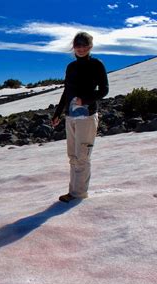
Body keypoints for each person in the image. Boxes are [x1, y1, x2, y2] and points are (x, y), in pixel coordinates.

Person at [51, 32, 109, 203]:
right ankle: (74, 192)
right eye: (78, 45)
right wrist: (58, 113)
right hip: (70, 116)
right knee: (73, 156)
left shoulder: (96, 64)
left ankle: (78, 195)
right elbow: (66, 92)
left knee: (82, 156)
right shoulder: (71, 67)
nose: (81, 48)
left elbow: (104, 90)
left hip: (87, 116)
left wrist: (85, 100)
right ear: (73, 47)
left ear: (90, 46)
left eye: (85, 45)